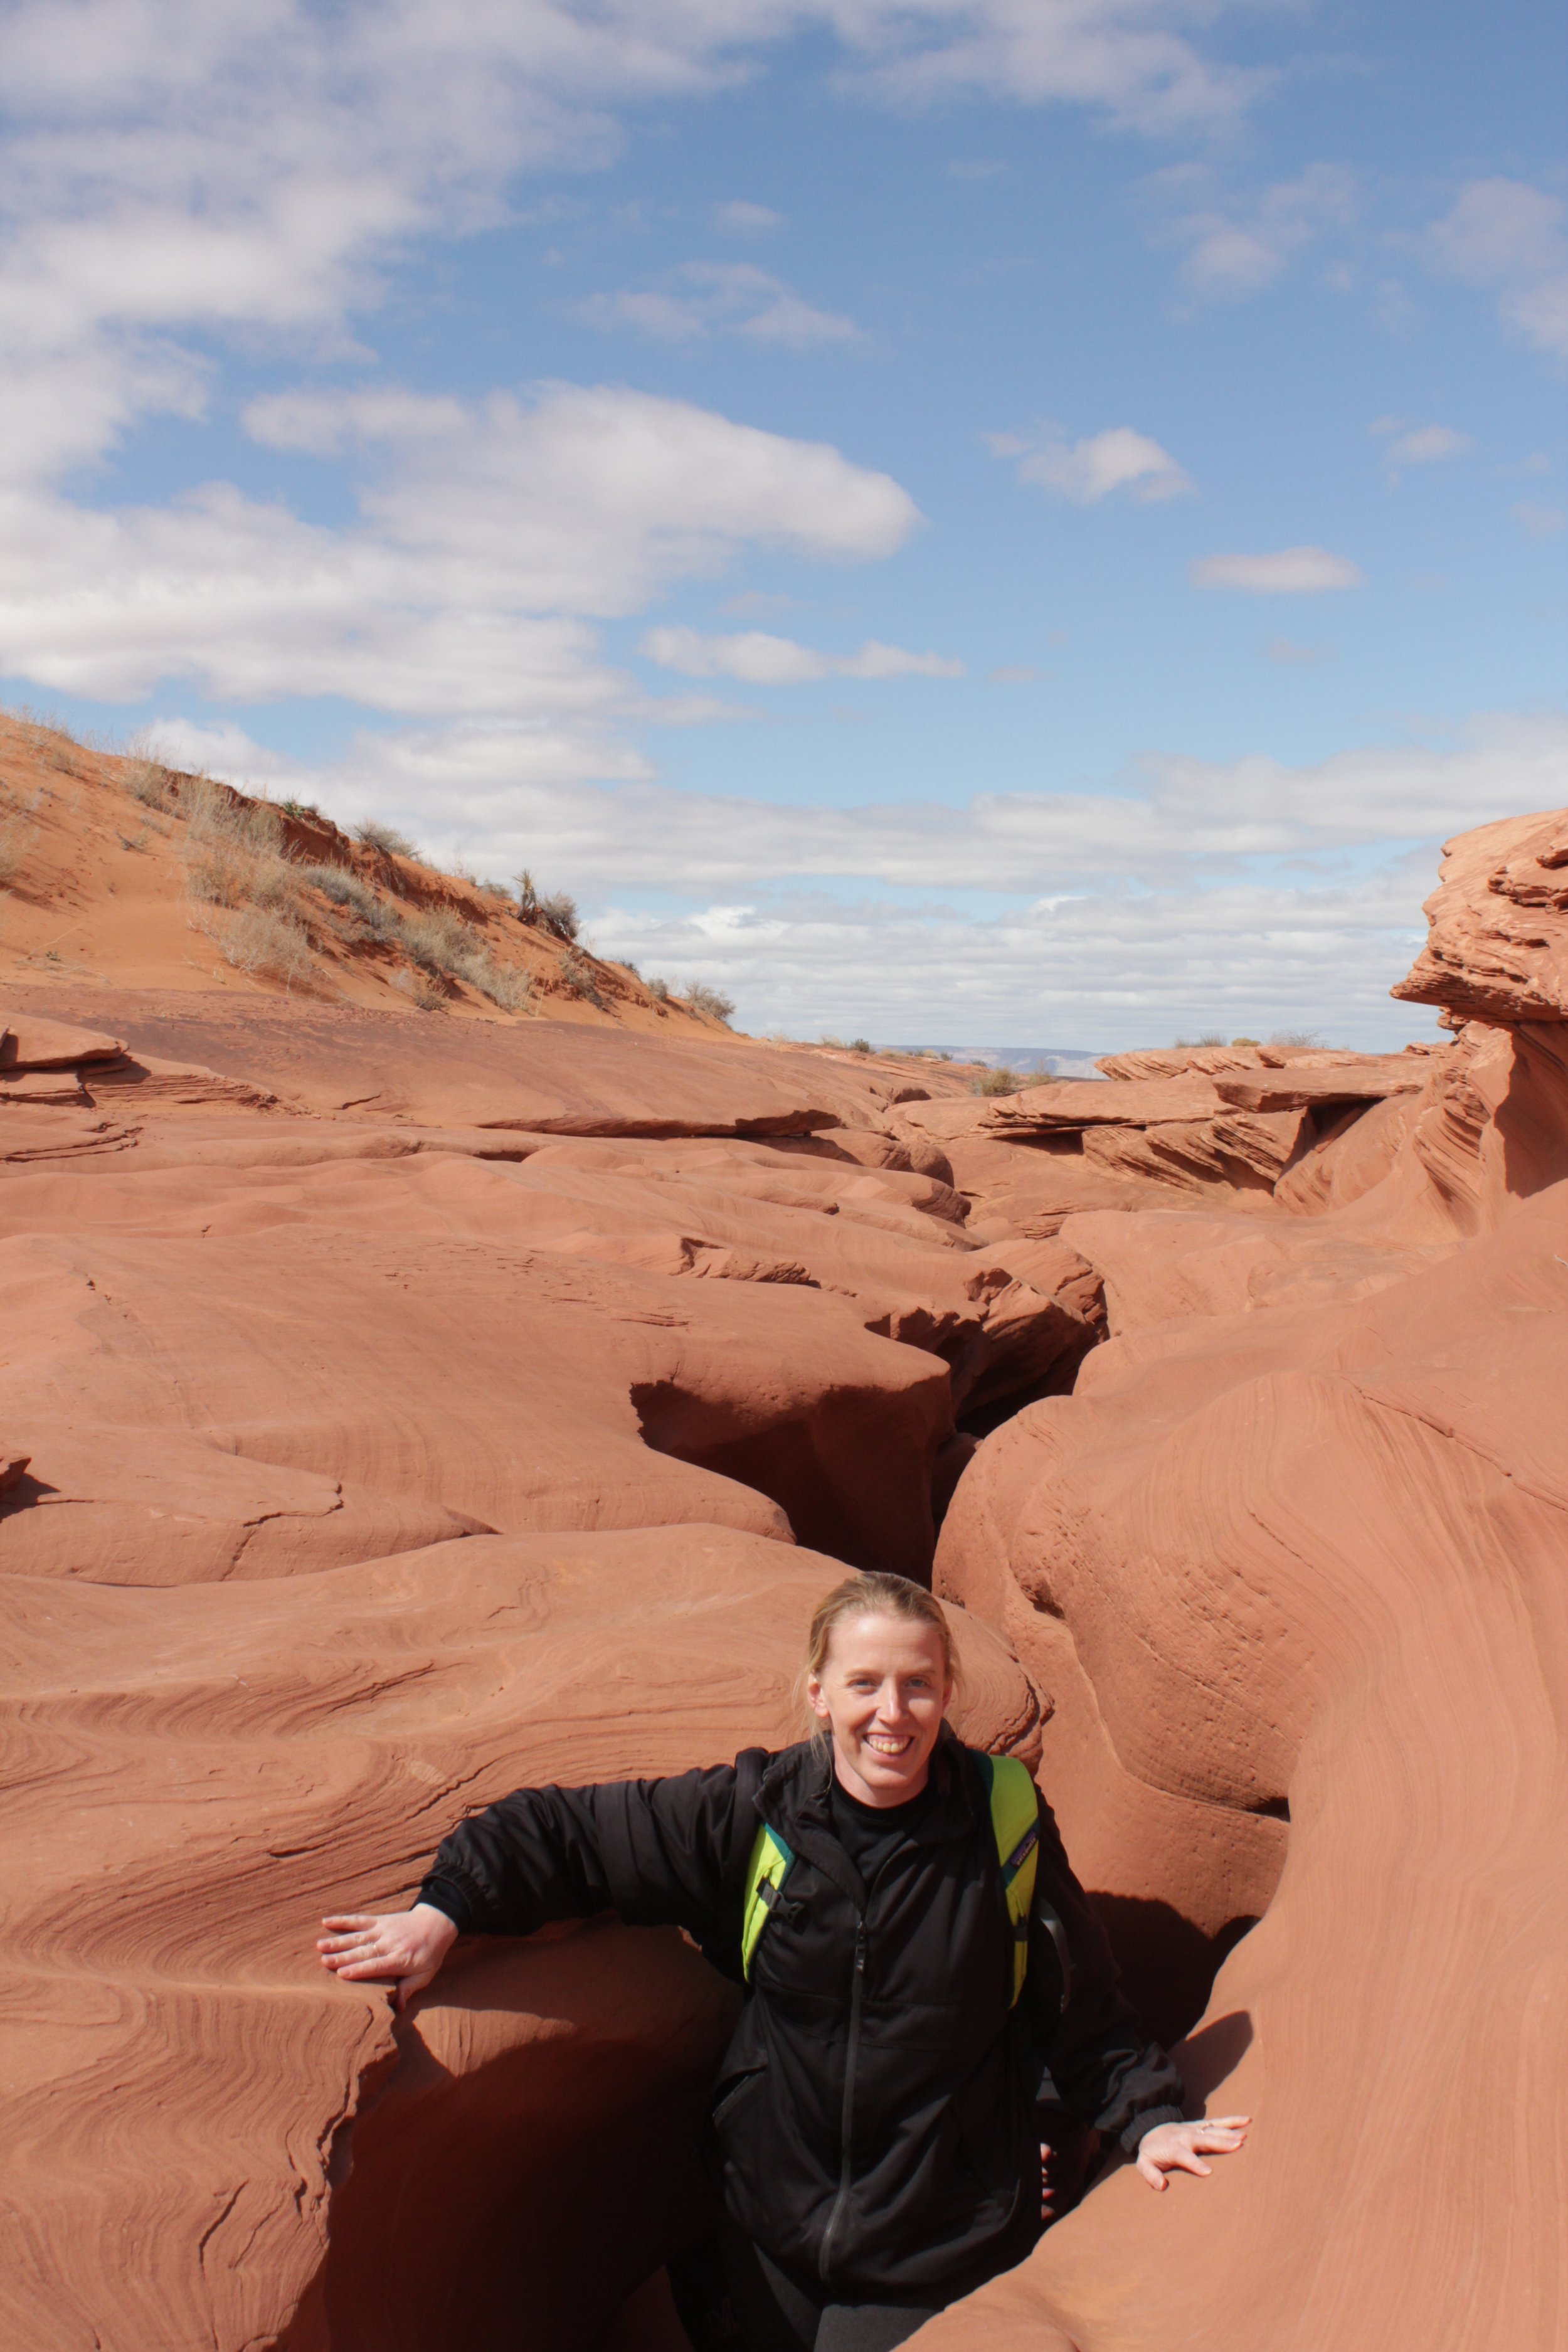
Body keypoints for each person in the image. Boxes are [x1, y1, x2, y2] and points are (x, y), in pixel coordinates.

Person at [317, 1571, 1249, 2351]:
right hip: (765, 2233)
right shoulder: (759, 1812)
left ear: (948, 1692)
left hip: (932, 2247)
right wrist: (446, 1909)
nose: (893, 1713)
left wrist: (1150, 2119)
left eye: (918, 1684)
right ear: (819, 1694)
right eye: (865, 1684)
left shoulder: (1000, 1824)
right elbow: (568, 1832)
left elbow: (1082, 2006)